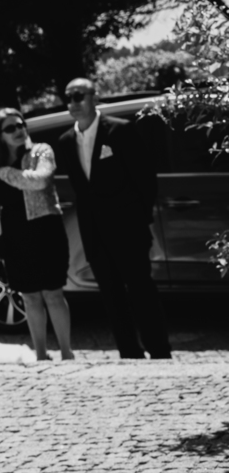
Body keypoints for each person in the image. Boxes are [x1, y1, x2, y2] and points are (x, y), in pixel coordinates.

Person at [54, 78, 171, 359]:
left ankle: (159, 351)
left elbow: (145, 179)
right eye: (68, 98)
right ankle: (129, 353)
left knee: (141, 290)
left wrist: (139, 220)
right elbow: (82, 190)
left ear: (94, 97)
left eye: (79, 96)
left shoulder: (120, 130)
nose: (73, 103)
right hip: (94, 233)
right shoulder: (66, 141)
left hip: (129, 228)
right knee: (110, 294)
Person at [0, 108, 75, 361]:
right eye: (10, 128)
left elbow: (39, 181)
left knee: (53, 294)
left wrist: (4, 172)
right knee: (30, 297)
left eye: (21, 125)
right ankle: (41, 355)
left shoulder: (41, 152)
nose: (18, 131)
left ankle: (67, 353)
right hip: (14, 237)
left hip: (46, 232)